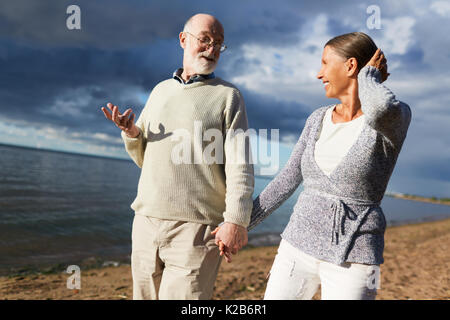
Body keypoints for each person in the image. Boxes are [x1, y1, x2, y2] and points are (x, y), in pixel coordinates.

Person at [214, 32, 411, 299]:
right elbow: (286, 180)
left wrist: (369, 78)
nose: (319, 74)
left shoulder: (395, 118)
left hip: (355, 254)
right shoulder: (317, 118)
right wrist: (239, 224)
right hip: (296, 244)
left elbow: (379, 108)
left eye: (325, 63)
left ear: (351, 66)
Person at [101, 13, 254, 300]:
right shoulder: (160, 90)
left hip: (197, 230)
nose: (211, 48)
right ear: (184, 40)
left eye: (218, 43)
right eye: (205, 39)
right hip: (146, 219)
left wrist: (236, 220)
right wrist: (132, 133)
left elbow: (240, 164)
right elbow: (146, 159)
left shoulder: (228, 96)